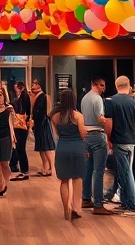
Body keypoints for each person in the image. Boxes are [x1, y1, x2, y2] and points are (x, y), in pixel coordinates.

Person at [104, 76, 135, 216]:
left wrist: (108, 139)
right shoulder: (134, 101)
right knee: (125, 172)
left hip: (119, 141)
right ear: (129, 85)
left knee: (126, 173)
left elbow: (108, 122)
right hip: (131, 141)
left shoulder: (110, 101)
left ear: (116, 85)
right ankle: (125, 202)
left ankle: (133, 206)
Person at [52, 88, 88, 221]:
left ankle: (66, 209)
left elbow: (56, 134)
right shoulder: (78, 116)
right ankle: (76, 208)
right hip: (77, 147)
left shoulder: (55, 116)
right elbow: (83, 134)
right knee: (77, 178)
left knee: (64, 180)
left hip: (62, 148)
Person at [80, 77, 113, 215]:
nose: (102, 88)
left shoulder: (84, 98)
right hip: (98, 135)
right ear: (93, 84)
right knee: (99, 171)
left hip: (86, 136)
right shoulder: (98, 99)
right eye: (100, 85)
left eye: (104, 85)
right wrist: (108, 122)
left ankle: (86, 198)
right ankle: (98, 204)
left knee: (88, 169)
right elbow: (100, 118)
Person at [29, 79, 55, 176]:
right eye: (33, 83)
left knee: (46, 147)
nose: (33, 85)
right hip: (39, 125)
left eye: (36, 83)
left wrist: (36, 124)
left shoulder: (42, 96)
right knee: (41, 148)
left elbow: (42, 113)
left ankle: (51, 168)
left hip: (42, 125)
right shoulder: (36, 96)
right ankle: (45, 166)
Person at [10, 81, 31, 180]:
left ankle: (24, 169)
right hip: (22, 125)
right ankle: (23, 168)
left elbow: (24, 109)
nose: (15, 90)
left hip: (21, 125)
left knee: (20, 148)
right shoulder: (23, 96)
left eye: (17, 88)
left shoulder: (24, 96)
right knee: (20, 148)